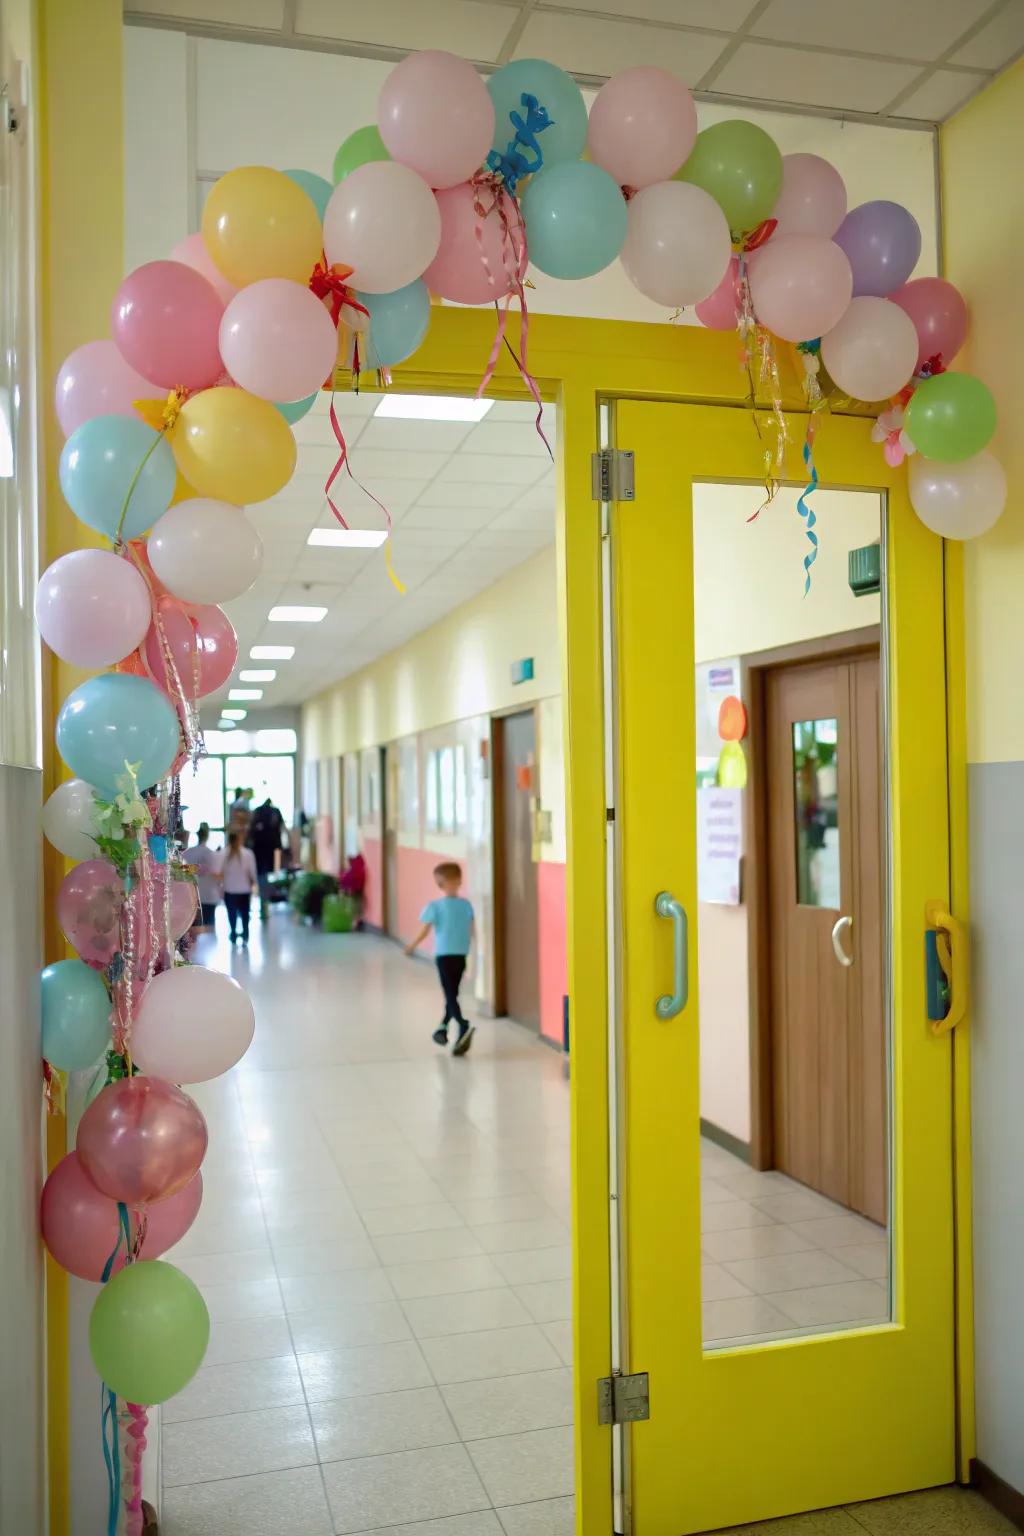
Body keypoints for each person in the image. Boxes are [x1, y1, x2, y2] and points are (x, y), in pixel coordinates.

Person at [405, 861, 475, 1055]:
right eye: (448, 883)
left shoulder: (466, 905)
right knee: (450, 993)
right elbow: (425, 930)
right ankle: (452, 1026)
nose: (452, 885)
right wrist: (412, 945)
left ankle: (452, 1026)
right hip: (444, 955)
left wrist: (477, 950)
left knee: (452, 993)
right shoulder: (435, 906)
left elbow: (472, 929)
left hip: (460, 953)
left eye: (455, 881)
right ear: (440, 885)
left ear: (460, 881)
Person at [218, 828, 258, 945]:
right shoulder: (248, 854)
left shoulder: (223, 854)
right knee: (245, 914)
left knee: (232, 914)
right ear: (240, 839)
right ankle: (245, 935)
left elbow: (219, 872)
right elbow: (252, 872)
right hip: (244, 890)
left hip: (229, 890)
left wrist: (220, 887)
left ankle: (234, 934)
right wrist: (254, 883)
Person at [247, 797, 285, 919]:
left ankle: (264, 904)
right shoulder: (275, 811)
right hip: (270, 848)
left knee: (261, 876)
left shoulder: (257, 812)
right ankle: (265, 904)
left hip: (257, 849)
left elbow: (251, 830)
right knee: (267, 875)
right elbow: (281, 828)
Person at [183, 822, 219, 931]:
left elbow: (183, 869)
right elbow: (216, 873)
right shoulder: (210, 854)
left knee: (193, 931)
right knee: (208, 930)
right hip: (208, 896)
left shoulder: (187, 853)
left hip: (190, 895)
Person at [339, 851, 367, 928]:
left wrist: (345, 888)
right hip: (359, 890)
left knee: (354, 906)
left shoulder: (353, 869)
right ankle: (358, 920)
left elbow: (346, 879)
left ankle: (355, 922)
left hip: (353, 891)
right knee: (358, 905)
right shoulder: (360, 867)